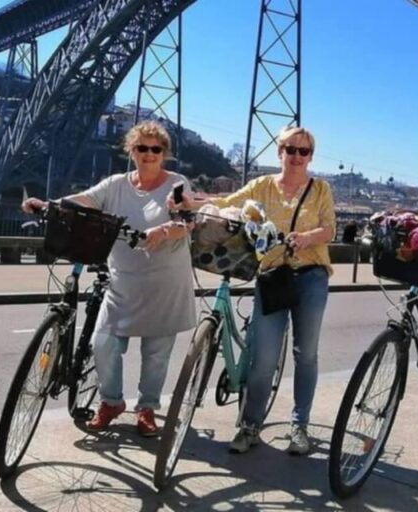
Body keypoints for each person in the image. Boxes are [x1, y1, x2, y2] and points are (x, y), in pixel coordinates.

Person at [22, 120, 196, 437]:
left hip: (165, 282)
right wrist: (48, 205)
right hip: (123, 280)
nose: (148, 154)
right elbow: (84, 199)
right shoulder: (116, 184)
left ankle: (146, 409)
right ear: (131, 151)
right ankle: (112, 402)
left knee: (156, 355)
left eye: (155, 149)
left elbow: (187, 220)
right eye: (141, 148)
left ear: (164, 153)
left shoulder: (177, 183)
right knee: (103, 343)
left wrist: (165, 230)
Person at [174, 126, 335, 456]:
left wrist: (307, 238)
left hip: (311, 277)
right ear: (279, 152)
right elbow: (227, 201)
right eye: (290, 149)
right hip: (272, 275)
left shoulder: (321, 189)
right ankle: (250, 426)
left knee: (306, 354)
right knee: (263, 358)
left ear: (311, 157)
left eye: (303, 152)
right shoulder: (262, 185)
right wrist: (192, 201)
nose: (296, 157)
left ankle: (299, 426)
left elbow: (329, 228)